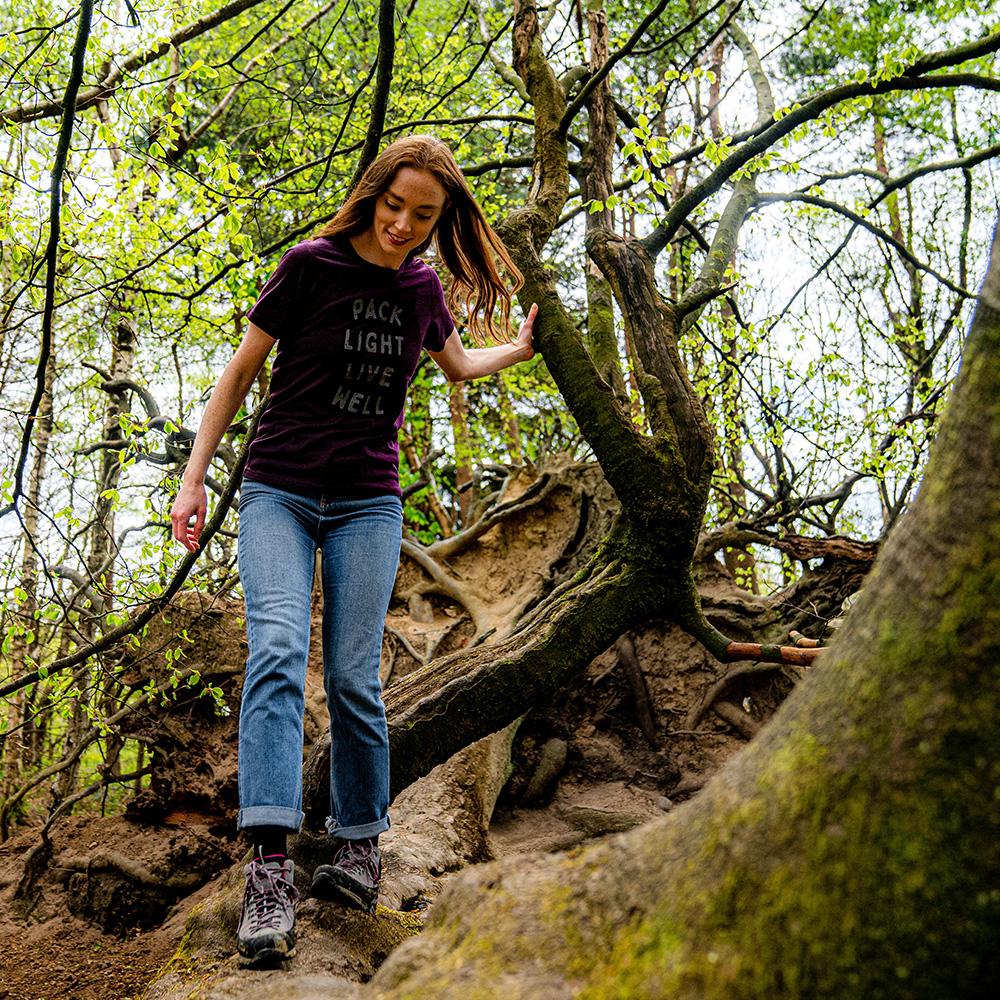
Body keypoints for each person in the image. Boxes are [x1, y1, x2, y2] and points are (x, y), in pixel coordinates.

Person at [169, 134, 537, 966]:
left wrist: (513, 349)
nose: (404, 224)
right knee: (276, 651)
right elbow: (236, 376)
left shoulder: (421, 289)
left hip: (370, 501)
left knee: (353, 674)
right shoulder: (311, 264)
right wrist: (195, 481)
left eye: (425, 215)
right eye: (394, 205)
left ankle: (358, 845)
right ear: (373, 194)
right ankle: (269, 866)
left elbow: (456, 365)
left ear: (442, 221)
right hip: (279, 492)